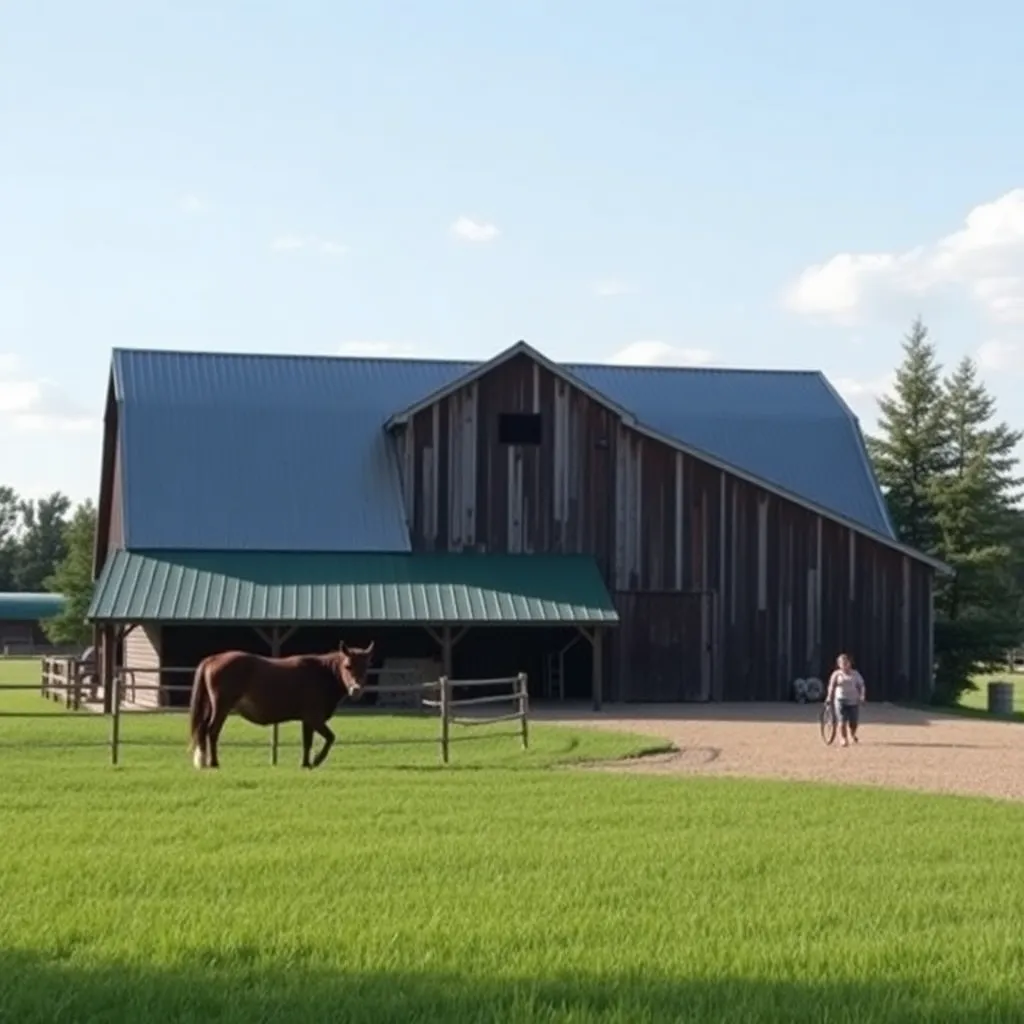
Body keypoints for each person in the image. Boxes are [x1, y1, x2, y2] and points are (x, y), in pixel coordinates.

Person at [825, 653, 866, 747]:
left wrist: (862, 696)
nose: (844, 665)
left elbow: (861, 686)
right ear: (839, 664)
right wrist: (828, 697)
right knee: (842, 720)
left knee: (853, 722)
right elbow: (831, 686)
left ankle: (852, 733)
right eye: (842, 663)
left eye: (846, 663)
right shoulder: (836, 674)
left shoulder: (855, 674)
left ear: (850, 663)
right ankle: (843, 738)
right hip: (840, 700)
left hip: (853, 701)